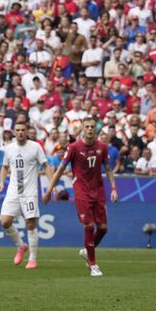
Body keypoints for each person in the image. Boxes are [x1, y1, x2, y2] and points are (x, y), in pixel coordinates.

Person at [43, 117, 118, 277]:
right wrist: (50, 190)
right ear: (83, 129)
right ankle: (93, 265)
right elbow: (61, 170)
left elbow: (108, 169)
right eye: (87, 127)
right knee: (89, 226)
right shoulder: (73, 147)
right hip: (81, 191)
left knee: (103, 229)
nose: (90, 129)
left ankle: (87, 250)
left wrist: (113, 188)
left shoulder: (102, 147)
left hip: (98, 191)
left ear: (95, 129)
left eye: (92, 127)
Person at [0, 121, 54, 269]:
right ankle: (21, 245)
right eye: (18, 130)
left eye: (23, 130)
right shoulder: (9, 148)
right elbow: (4, 167)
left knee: (31, 223)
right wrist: (2, 182)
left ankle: (32, 259)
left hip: (30, 192)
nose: (20, 132)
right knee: (5, 221)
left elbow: (46, 166)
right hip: (13, 191)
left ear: (27, 132)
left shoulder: (35, 147)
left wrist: (51, 184)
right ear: (14, 132)